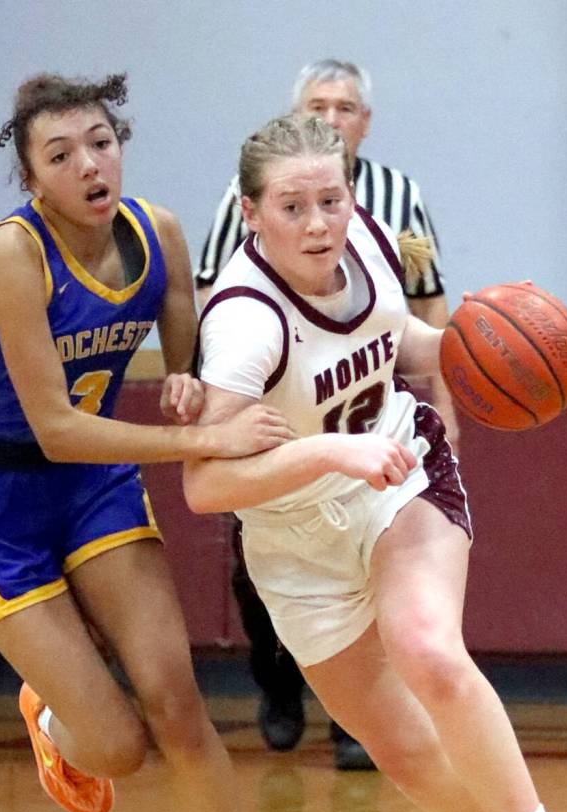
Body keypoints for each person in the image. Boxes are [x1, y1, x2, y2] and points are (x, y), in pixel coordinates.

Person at [184, 113, 567, 812]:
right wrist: (325, 450)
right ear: (250, 212)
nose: (319, 223)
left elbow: (399, 341)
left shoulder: (377, 243)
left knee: (426, 646)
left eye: (332, 198)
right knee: (399, 747)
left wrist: (480, 346)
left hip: (398, 474)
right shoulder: (243, 325)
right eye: (293, 206)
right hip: (294, 537)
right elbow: (206, 486)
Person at [0, 72, 300, 812]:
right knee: (119, 747)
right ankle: (53, 715)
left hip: (92, 490)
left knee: (176, 699)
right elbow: (55, 425)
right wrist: (201, 435)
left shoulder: (158, 234)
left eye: (100, 140)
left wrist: (185, 380)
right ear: (33, 181)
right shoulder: (11, 257)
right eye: (61, 155)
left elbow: (187, 352)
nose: (90, 163)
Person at [196, 59, 458, 770]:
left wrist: (451, 388)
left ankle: (356, 724)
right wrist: (208, 393)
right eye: (321, 105)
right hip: (278, 416)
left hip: (369, 422)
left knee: (401, 588)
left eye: (346, 107)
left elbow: (425, 298)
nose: (335, 116)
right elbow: (208, 294)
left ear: (363, 125)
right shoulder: (246, 203)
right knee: (261, 569)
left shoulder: (397, 202)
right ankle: (278, 682)